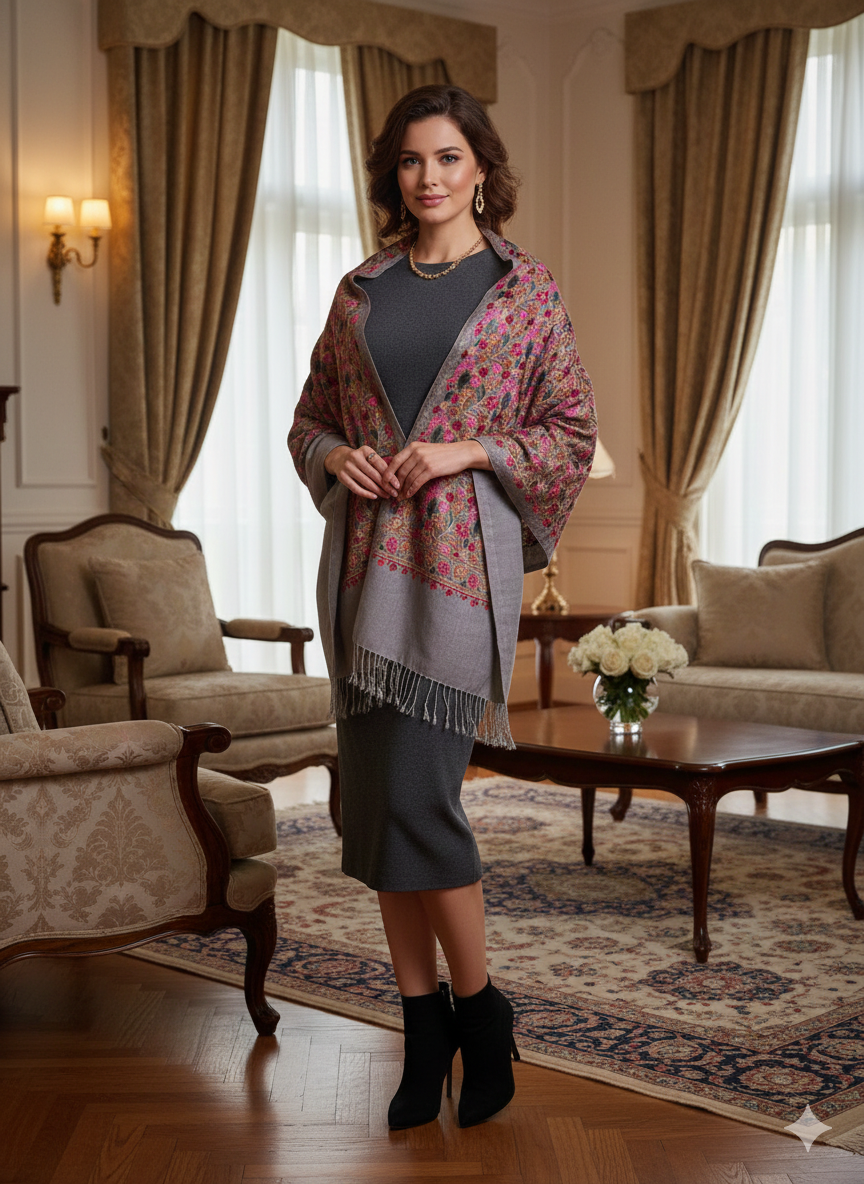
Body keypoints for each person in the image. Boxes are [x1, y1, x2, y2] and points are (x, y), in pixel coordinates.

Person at [288, 84, 596, 1130]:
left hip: (458, 578)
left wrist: (469, 447)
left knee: (424, 798)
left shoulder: (524, 291)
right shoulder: (359, 292)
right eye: (413, 161)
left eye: (450, 158)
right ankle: (422, 1029)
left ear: (482, 168)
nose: (430, 178)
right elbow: (307, 424)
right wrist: (343, 454)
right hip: (363, 570)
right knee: (375, 810)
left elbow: (571, 432)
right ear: (395, 175)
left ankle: (481, 1006)